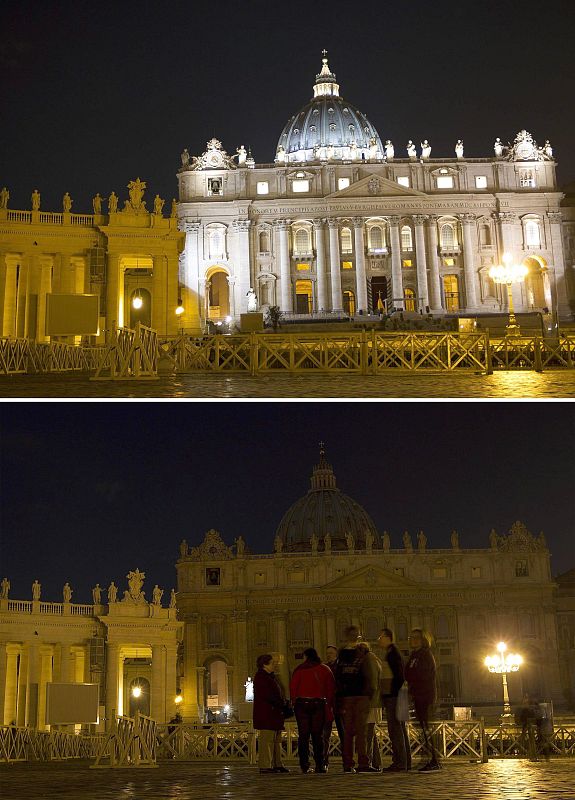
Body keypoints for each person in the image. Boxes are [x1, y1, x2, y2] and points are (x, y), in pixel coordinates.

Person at [335, 625, 379, 772]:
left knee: (347, 733)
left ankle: (347, 764)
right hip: (361, 696)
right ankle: (363, 763)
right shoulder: (364, 653)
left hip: (346, 697)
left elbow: (337, 677)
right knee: (362, 732)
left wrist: (340, 697)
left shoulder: (340, 656)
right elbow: (370, 676)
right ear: (359, 636)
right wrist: (371, 695)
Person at [290, 647, 335, 773]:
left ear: (306, 657)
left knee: (303, 736)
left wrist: (294, 702)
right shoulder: (324, 669)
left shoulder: (299, 670)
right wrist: (329, 703)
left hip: (301, 704)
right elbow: (330, 688)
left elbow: (293, 687)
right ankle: (320, 765)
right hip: (318, 703)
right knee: (317, 735)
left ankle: (304, 764)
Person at [405, 629, 440, 771]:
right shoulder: (414, 655)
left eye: (417, 638)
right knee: (422, 727)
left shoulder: (426, 655)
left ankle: (434, 759)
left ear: (423, 639)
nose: (413, 640)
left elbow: (424, 675)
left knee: (426, 728)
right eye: (411, 637)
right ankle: (428, 757)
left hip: (425, 695)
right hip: (417, 695)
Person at [378, 628, 411, 771]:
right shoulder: (394, 652)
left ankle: (399, 763)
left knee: (395, 730)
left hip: (394, 696)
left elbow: (398, 675)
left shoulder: (392, 654)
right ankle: (405, 762)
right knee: (400, 729)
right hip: (399, 695)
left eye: (380, 637)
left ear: (387, 637)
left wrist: (390, 693)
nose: (378, 640)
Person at [253, 654, 289, 774]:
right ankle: (265, 765)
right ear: (265, 664)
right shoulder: (261, 677)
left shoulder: (271, 677)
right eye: (272, 663)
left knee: (276, 740)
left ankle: (277, 763)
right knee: (267, 740)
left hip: (275, 713)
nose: (275, 665)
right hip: (267, 713)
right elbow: (267, 695)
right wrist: (281, 703)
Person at [359, 642, 383, 770]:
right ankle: (376, 762)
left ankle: (367, 763)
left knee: (367, 734)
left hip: (370, 702)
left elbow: (372, 683)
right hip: (374, 701)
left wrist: (366, 699)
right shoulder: (373, 659)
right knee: (370, 734)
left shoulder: (368, 660)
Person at [323, 645, 344, 768]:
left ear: (336, 654)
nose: (329, 655)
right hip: (328, 705)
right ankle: (324, 761)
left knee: (343, 734)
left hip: (339, 705)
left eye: (331, 653)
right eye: (327, 653)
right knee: (325, 735)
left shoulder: (340, 667)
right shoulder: (325, 667)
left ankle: (347, 762)